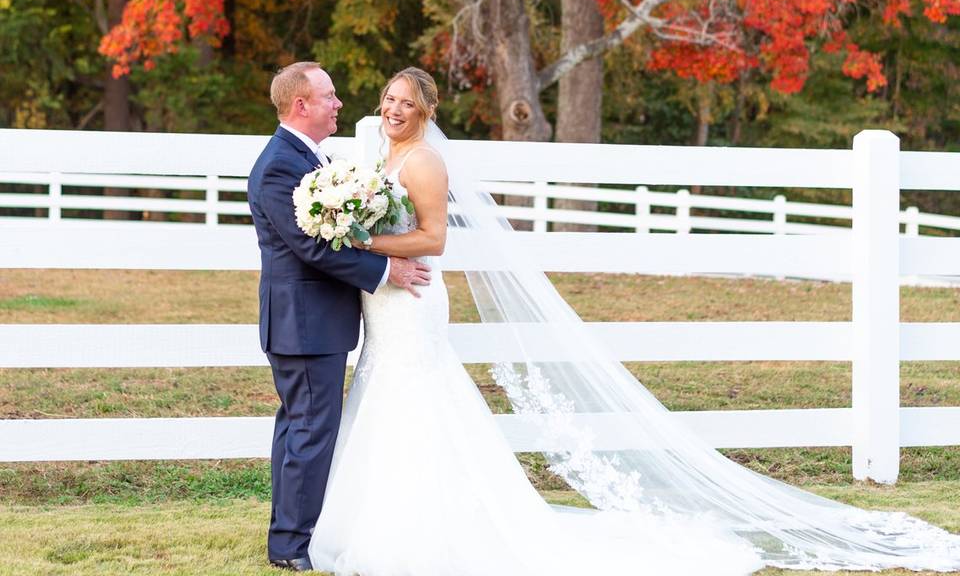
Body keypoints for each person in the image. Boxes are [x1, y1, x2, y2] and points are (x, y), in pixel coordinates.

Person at [306, 66, 960, 575]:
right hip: (384, 304)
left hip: (413, 300)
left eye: (406, 104)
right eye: (389, 100)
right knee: (385, 401)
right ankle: (384, 521)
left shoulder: (422, 161)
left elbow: (435, 239)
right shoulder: (382, 161)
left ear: (425, 112)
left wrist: (361, 246)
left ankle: (425, 536)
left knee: (421, 404)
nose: (393, 110)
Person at [247, 62, 431, 572]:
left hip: (307, 322)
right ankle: (292, 546)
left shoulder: (306, 156)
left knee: (299, 428)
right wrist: (384, 269)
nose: (339, 104)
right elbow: (311, 249)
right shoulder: (281, 165)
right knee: (308, 430)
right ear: (301, 105)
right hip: (303, 323)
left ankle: (291, 536)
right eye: (329, 96)